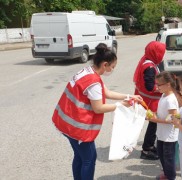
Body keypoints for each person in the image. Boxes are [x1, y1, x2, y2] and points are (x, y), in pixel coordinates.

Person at [52, 43, 142, 180]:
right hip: (78, 128)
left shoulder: (89, 71)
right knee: (89, 159)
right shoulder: (93, 81)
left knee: (79, 156)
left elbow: (107, 92)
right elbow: (98, 108)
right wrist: (122, 105)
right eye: (112, 67)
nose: (112, 70)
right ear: (105, 64)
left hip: (66, 123)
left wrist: (129, 97)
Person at [133, 41, 166, 160]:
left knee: (153, 124)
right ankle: (147, 149)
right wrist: (165, 88)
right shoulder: (150, 67)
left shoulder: (148, 61)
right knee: (154, 124)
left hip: (148, 99)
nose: (162, 55)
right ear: (155, 53)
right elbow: (149, 86)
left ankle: (149, 146)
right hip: (150, 101)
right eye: (161, 53)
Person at [147, 71, 179, 180]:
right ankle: (166, 174)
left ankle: (170, 177)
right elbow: (162, 112)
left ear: (168, 84)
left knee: (168, 158)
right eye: (156, 84)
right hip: (162, 133)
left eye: (159, 84)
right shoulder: (164, 95)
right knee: (161, 155)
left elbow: (174, 118)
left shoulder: (171, 99)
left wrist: (155, 120)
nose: (157, 86)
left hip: (169, 136)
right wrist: (154, 114)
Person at [173, 78, 182, 171]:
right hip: (180, 135)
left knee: (178, 149)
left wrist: (174, 120)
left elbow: (178, 123)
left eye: (176, 97)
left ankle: (177, 165)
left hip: (181, 136)